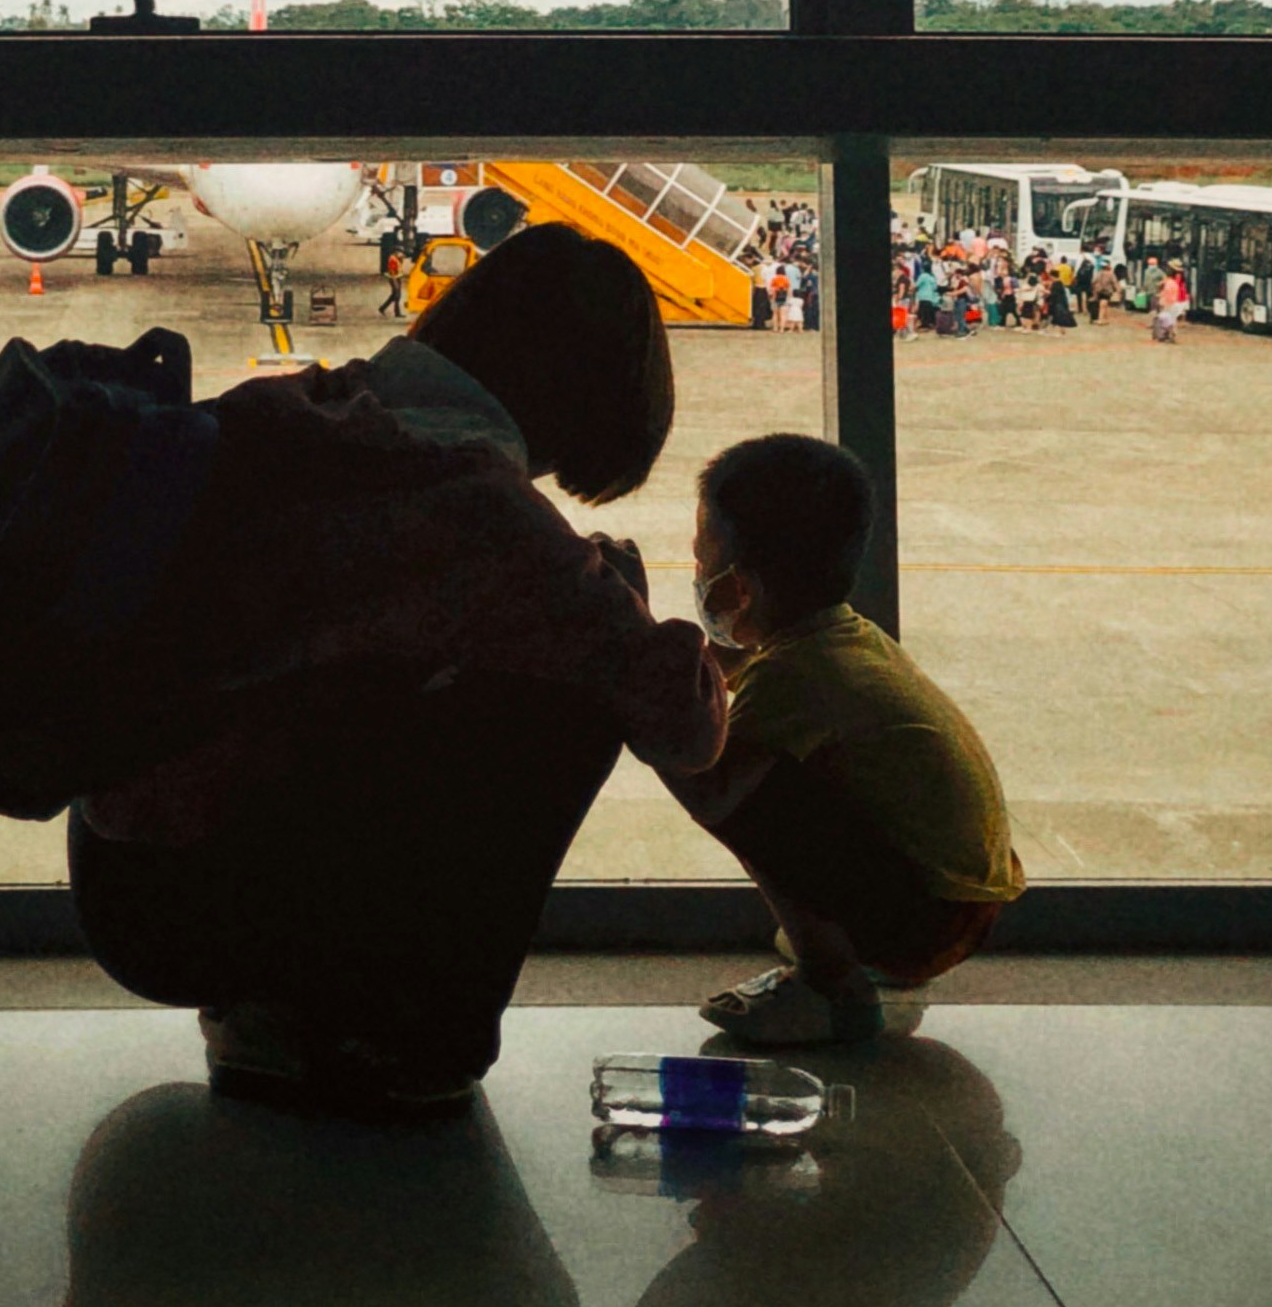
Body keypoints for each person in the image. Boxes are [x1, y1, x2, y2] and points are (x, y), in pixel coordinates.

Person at [67, 223, 719, 1113]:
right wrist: (625, 594)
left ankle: (268, 1017)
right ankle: (403, 1033)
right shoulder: (483, 512)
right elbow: (682, 730)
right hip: (202, 915)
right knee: (566, 699)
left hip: (118, 869)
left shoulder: (289, 407)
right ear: (584, 396)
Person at [665, 433, 1021, 1051]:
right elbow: (727, 666)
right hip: (959, 902)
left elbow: (706, 768)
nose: (697, 576)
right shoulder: (838, 636)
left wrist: (635, 677)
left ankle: (835, 989)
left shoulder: (792, 674)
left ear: (739, 588)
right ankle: (852, 955)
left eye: (702, 562)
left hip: (927, 924)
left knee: (741, 799)